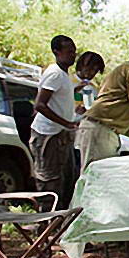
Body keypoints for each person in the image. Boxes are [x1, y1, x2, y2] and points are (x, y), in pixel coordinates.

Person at [29, 35, 79, 208]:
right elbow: (40, 105)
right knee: (48, 179)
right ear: (57, 52)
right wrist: (66, 122)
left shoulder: (64, 75)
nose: (73, 55)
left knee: (64, 178)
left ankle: (55, 221)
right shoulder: (54, 73)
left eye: (74, 51)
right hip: (47, 134)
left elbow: (60, 100)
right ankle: (43, 223)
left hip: (60, 134)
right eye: (69, 51)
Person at [69, 50, 106, 175]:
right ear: (81, 65)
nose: (91, 73)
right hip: (66, 128)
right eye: (89, 69)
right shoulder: (69, 81)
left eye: (95, 71)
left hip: (84, 131)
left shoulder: (93, 88)